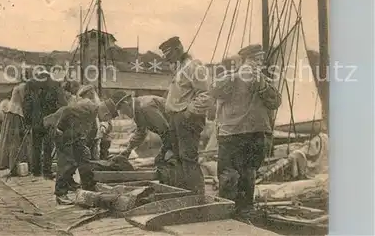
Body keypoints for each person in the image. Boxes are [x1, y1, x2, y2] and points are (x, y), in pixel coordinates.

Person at [208, 44, 282, 220]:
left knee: (247, 173)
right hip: (234, 133)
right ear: (243, 61)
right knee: (232, 175)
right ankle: (230, 212)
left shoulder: (263, 80)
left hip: (251, 133)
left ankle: (242, 212)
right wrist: (236, 77)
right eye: (253, 60)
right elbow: (214, 91)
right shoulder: (229, 79)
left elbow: (275, 102)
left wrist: (261, 84)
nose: (257, 64)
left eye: (259, 60)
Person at [158, 36, 214, 195]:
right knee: (179, 158)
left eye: (168, 52)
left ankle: (197, 195)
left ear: (178, 49)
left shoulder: (195, 67)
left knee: (188, 157)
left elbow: (205, 94)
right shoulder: (180, 68)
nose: (166, 57)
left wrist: (189, 112)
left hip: (187, 118)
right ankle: (185, 193)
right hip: (177, 118)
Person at [43, 88, 115, 205]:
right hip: (63, 132)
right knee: (67, 162)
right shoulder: (89, 106)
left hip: (75, 136)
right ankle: (60, 193)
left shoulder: (95, 112)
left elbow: (90, 132)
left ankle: (87, 186)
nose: (106, 120)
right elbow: (67, 110)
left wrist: (85, 144)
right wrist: (60, 128)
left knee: (84, 157)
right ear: (106, 112)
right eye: (107, 118)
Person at [111, 91, 172, 168]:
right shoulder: (137, 109)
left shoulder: (145, 107)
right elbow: (141, 132)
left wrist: (163, 153)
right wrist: (128, 150)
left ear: (125, 104)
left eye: (121, 110)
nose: (123, 114)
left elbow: (166, 131)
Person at [25, 69, 67, 178]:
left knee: (36, 146)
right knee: (48, 146)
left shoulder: (31, 84)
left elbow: (27, 104)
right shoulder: (55, 84)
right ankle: (47, 171)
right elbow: (62, 104)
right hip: (49, 120)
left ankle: (36, 171)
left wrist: (28, 121)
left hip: (36, 120)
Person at [0, 76, 31, 176]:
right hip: (16, 115)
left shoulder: (18, 87)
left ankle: (14, 167)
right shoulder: (23, 87)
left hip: (12, 114)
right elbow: (25, 103)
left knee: (12, 141)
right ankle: (14, 168)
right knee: (15, 142)